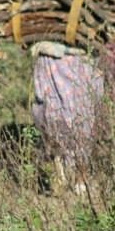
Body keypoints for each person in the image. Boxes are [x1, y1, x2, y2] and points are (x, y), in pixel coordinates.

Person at [30, 41, 105, 190]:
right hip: (53, 59)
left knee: (81, 118)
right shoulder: (47, 53)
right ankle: (62, 172)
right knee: (55, 117)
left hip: (79, 60)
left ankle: (79, 176)